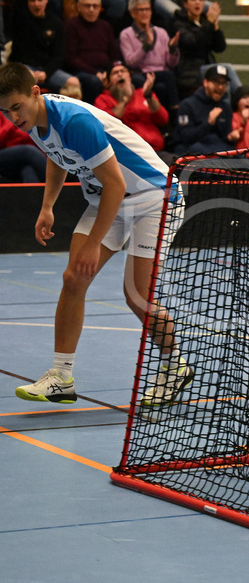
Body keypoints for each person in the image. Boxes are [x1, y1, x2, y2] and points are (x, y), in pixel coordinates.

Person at [0, 61, 189, 406]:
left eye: (16, 107)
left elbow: (116, 184)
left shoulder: (75, 121)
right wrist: (47, 206)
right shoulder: (34, 121)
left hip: (153, 197)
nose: (13, 117)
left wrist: (91, 245)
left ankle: (174, 367)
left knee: (136, 295)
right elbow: (57, 155)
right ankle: (61, 377)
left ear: (35, 93)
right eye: (5, 111)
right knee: (73, 278)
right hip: (107, 198)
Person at [120, 0, 180, 117]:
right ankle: (175, 111)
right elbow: (130, 62)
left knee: (161, 87)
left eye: (147, 9)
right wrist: (146, 46)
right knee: (167, 77)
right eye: (141, 10)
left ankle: (163, 122)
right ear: (132, 13)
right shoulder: (126, 34)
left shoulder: (161, 32)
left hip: (161, 75)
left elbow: (171, 63)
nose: (145, 13)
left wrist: (173, 50)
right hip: (141, 74)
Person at [174, 0, 240, 97]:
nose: (197, 3)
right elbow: (193, 43)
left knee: (223, 80)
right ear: (186, 4)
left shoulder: (205, 21)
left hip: (207, 66)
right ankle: (241, 99)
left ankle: (239, 102)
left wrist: (215, 26)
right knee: (226, 70)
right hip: (190, 70)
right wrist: (209, 23)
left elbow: (220, 47)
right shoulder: (179, 22)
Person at [9, 0, 73, 93]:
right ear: (27, 2)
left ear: (46, 0)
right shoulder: (20, 21)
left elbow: (59, 54)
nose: (36, 4)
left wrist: (46, 72)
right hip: (25, 68)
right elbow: (15, 8)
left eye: (40, 0)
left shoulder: (56, 23)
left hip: (48, 70)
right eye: (32, 0)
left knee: (73, 83)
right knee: (26, 79)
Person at [94, 60, 168, 153]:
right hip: (128, 154)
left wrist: (149, 97)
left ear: (129, 77)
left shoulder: (142, 93)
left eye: (123, 71)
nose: (120, 74)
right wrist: (124, 101)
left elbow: (163, 119)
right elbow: (105, 126)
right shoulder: (102, 99)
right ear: (108, 82)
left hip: (155, 150)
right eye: (115, 73)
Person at [64, 0, 119, 103]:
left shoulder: (105, 26)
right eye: (87, 6)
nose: (91, 10)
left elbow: (114, 54)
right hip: (81, 72)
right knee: (93, 82)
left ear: (100, 8)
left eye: (95, 6)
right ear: (78, 7)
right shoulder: (71, 26)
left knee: (129, 80)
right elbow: (71, 59)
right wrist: (96, 73)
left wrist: (109, 73)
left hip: (104, 71)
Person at [172, 64, 233, 155]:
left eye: (223, 83)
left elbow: (224, 137)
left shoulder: (225, 107)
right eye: (216, 82)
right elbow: (185, 137)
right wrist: (208, 124)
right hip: (191, 148)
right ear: (205, 83)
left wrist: (231, 137)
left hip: (217, 147)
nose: (220, 87)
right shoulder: (187, 105)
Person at [0, 111, 46, 183]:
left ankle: (35, 194)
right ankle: (57, 182)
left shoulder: (25, 108)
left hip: (30, 158)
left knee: (29, 170)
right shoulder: (4, 111)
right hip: (5, 155)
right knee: (29, 152)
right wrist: (13, 126)